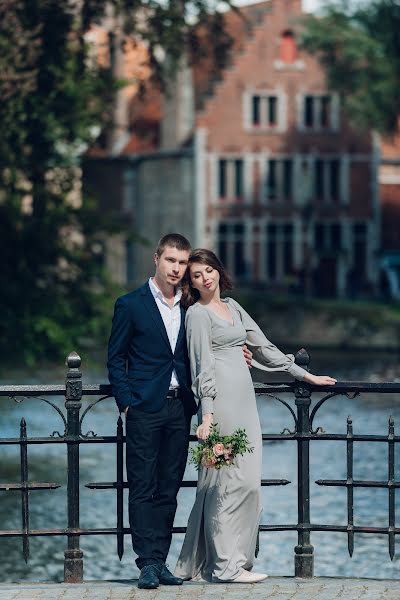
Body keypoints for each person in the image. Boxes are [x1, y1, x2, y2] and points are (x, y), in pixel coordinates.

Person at [175, 249, 337, 584]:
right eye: (196, 276)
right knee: (221, 485)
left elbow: (262, 347)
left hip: (244, 404)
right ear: (191, 283)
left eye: (208, 271)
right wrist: (206, 416)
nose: (204, 278)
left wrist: (305, 376)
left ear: (219, 271)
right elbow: (201, 368)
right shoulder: (196, 315)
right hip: (218, 408)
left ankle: (235, 561)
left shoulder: (232, 308)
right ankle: (223, 567)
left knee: (248, 485)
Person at [107, 234, 252, 590]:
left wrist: (238, 354)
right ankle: (147, 564)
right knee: (142, 486)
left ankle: (161, 559)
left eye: (182, 262)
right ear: (156, 259)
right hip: (144, 407)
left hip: (180, 407)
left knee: (169, 488)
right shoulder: (130, 304)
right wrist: (127, 401)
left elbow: (208, 348)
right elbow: (115, 358)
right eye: (170, 260)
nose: (176, 268)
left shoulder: (191, 306)